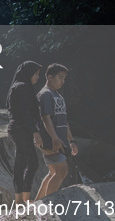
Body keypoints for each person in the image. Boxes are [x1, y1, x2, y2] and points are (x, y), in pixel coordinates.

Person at [35, 63, 79, 201]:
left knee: (53, 171)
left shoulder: (58, 95)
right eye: (60, 77)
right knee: (62, 170)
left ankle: (37, 203)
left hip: (60, 140)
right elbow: (45, 118)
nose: (62, 81)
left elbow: (64, 120)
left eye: (64, 78)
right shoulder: (45, 95)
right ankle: (47, 206)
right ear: (49, 77)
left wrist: (71, 141)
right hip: (50, 140)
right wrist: (54, 137)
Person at [6, 61, 44, 205]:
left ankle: (19, 200)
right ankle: (25, 198)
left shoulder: (18, 86)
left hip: (20, 128)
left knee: (21, 164)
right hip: (21, 128)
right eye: (36, 74)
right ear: (28, 73)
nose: (37, 77)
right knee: (33, 162)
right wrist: (35, 132)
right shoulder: (21, 87)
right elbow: (25, 113)